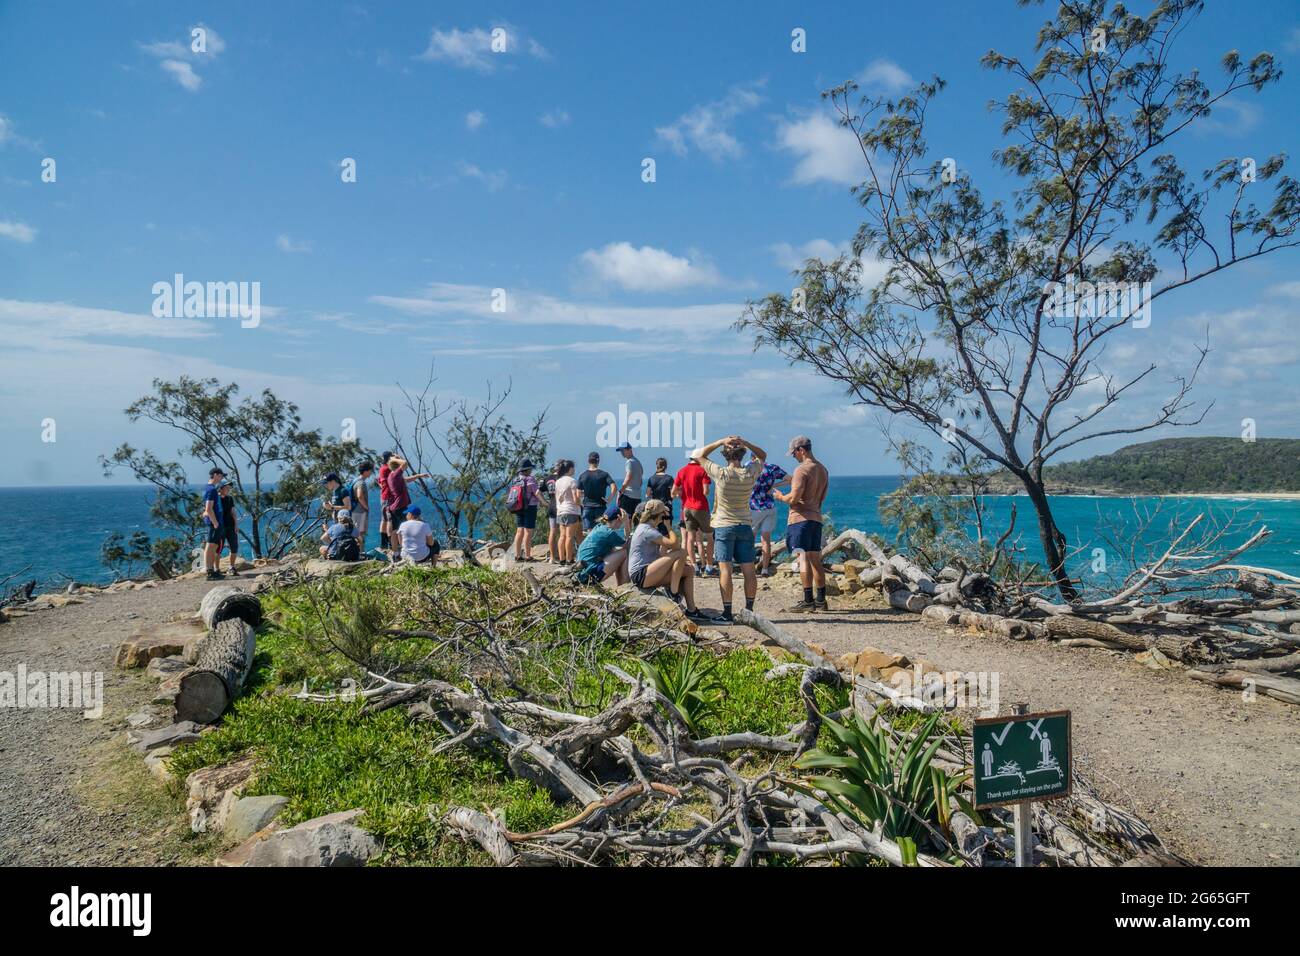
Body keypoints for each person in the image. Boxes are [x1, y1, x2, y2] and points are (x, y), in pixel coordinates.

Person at [693, 436, 766, 622]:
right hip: (745, 525)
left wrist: (720, 441)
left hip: (724, 526)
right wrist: (747, 442)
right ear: (742, 455)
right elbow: (762, 455)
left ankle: (727, 613)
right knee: (749, 570)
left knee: (725, 570)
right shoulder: (750, 472)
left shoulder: (720, 473)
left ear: (725, 456)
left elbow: (698, 455)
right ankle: (749, 611)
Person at [774, 435, 830, 612]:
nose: (794, 457)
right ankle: (821, 601)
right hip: (816, 519)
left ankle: (807, 600)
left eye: (794, 454)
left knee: (803, 558)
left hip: (800, 520)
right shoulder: (823, 470)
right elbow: (822, 496)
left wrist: (781, 497)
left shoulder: (801, 470)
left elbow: (795, 497)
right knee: (816, 560)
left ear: (801, 450)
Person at [626, 501, 707, 621]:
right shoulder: (646, 530)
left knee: (689, 570)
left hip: (648, 572)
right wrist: (669, 526)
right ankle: (673, 593)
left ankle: (691, 610)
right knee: (681, 552)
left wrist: (678, 565)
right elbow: (675, 545)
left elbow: (661, 554)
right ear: (660, 515)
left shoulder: (650, 528)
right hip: (641, 574)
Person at [673, 454, 715, 576]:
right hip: (701, 507)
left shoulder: (681, 471)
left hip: (686, 508)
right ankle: (709, 566)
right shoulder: (703, 470)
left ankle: (695, 567)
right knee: (709, 536)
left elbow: (673, 492)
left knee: (690, 538)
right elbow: (706, 491)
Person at [384, 454, 431, 559]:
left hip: (395, 507)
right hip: (400, 507)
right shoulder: (395, 475)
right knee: (407, 527)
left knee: (395, 530)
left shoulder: (393, 476)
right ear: (398, 466)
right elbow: (405, 463)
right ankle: (408, 550)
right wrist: (394, 459)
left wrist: (419, 476)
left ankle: (396, 553)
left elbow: (407, 480)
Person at [749, 458, 790, 576]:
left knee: (749, 539)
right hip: (770, 508)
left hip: (754, 508)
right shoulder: (772, 468)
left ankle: (750, 568)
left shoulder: (749, 467)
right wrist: (774, 485)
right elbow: (789, 479)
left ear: (752, 458)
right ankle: (765, 570)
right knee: (766, 540)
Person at [575, 501, 630, 585]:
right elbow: (627, 545)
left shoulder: (599, 527)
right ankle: (624, 583)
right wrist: (626, 523)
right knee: (625, 552)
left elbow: (612, 550)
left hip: (582, 573)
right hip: (589, 575)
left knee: (617, 551)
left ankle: (622, 584)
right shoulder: (609, 533)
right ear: (619, 518)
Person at [508, 460, 546, 562]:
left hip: (519, 507)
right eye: (530, 469)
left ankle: (517, 555)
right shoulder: (530, 479)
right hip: (530, 508)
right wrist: (544, 502)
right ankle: (528, 556)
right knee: (528, 531)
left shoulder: (516, 480)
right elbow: (537, 492)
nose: (531, 470)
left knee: (519, 530)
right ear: (527, 469)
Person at [576, 451, 617, 532]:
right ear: (598, 461)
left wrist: (581, 504)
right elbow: (614, 487)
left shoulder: (583, 475)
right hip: (600, 507)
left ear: (588, 461)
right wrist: (609, 499)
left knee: (589, 533)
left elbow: (578, 494)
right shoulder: (604, 474)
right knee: (601, 531)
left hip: (587, 507)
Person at [553, 459, 582, 564]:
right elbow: (575, 499)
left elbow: (559, 497)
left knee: (562, 536)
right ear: (570, 469)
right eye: (573, 467)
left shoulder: (558, 481)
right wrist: (581, 503)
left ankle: (562, 559)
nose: (574, 469)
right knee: (570, 537)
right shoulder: (572, 481)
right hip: (572, 511)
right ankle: (569, 559)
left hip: (561, 511)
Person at [201, 467, 226, 580]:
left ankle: (213, 571)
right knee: (210, 545)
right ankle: (209, 571)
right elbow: (209, 508)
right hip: (214, 523)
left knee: (214, 545)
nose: (222, 478)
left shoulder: (210, 489)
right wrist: (215, 523)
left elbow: (206, 507)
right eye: (221, 475)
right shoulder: (211, 489)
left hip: (217, 521)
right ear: (215, 475)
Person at [217, 480, 240, 576]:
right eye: (226, 488)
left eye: (229, 488)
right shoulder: (216, 499)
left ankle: (231, 567)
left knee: (234, 547)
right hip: (220, 527)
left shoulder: (230, 499)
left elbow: (233, 512)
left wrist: (236, 525)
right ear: (221, 488)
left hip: (230, 526)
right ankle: (216, 569)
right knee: (218, 549)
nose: (228, 489)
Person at [615, 441, 644, 517]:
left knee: (625, 519)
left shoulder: (629, 462)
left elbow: (628, 477)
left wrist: (621, 491)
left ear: (629, 450)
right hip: (637, 496)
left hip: (628, 495)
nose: (622, 453)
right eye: (621, 451)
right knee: (634, 520)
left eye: (623, 450)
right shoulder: (638, 462)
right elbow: (640, 481)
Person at [351, 462, 374, 552]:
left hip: (355, 510)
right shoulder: (361, 483)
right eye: (370, 470)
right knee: (360, 534)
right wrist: (366, 506)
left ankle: (358, 552)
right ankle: (360, 553)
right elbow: (360, 495)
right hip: (360, 511)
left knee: (357, 533)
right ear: (365, 471)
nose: (371, 472)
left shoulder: (355, 480)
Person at [543, 462, 561, 561]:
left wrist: (545, 502)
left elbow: (537, 492)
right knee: (562, 533)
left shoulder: (548, 478)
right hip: (561, 507)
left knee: (553, 531)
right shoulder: (562, 479)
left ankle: (552, 557)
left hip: (551, 506)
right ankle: (562, 556)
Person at [377, 452, 393, 552]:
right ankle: (390, 542)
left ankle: (383, 543)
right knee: (389, 520)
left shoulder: (382, 468)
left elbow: (380, 482)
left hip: (384, 496)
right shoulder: (388, 468)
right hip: (388, 496)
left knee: (384, 519)